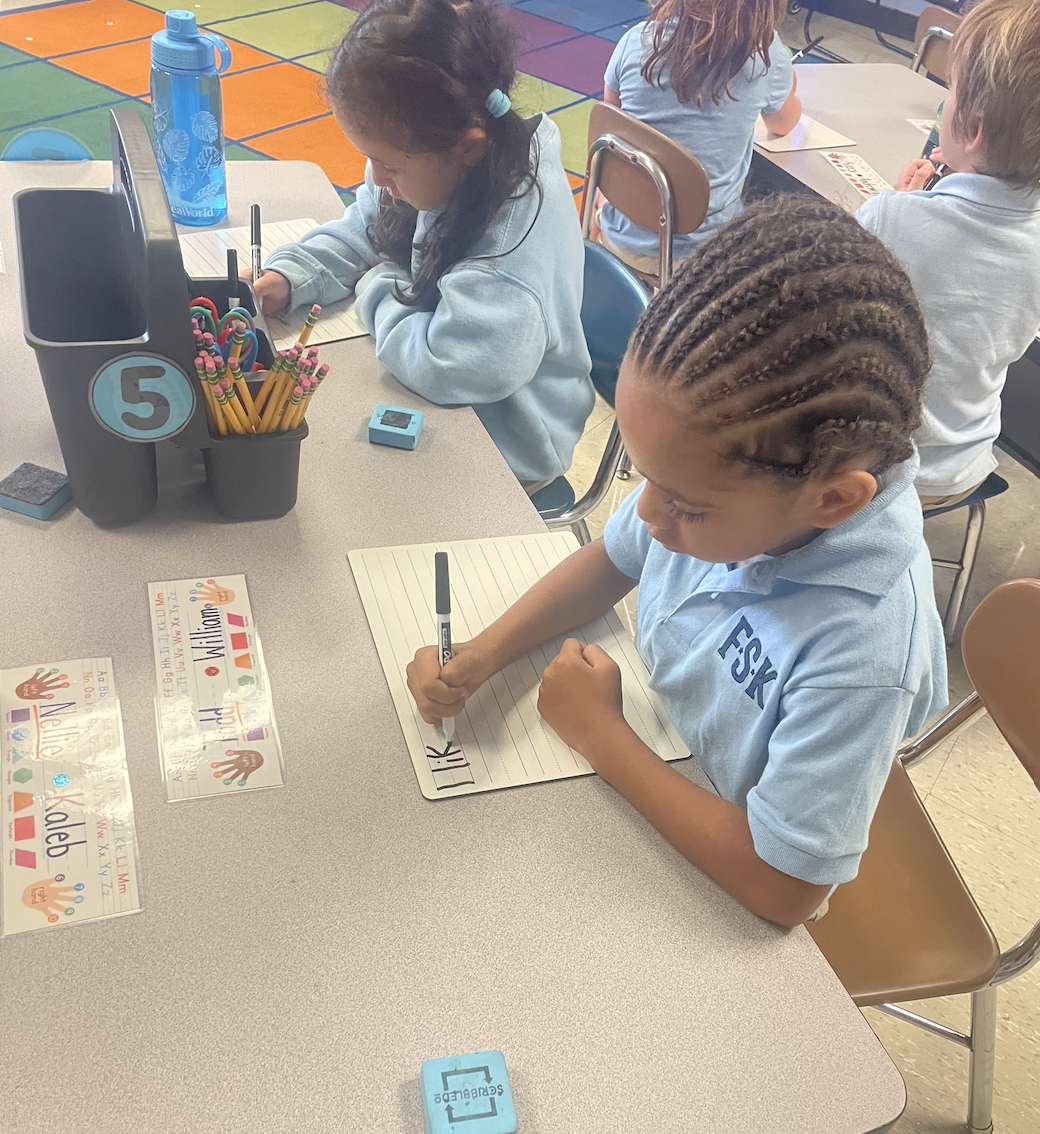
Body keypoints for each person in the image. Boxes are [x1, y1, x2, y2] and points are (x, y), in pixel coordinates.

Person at [406, 197, 948, 928]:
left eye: (688, 507)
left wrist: (602, 735)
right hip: (663, 765)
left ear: (831, 501)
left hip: (717, 866)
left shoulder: (866, 648)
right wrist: (484, 651)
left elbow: (785, 890)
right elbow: (610, 559)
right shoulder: (726, 483)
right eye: (643, 475)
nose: (650, 517)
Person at [254, 0, 594, 493]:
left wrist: (375, 285)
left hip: (508, 452)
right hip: (452, 412)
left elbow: (450, 365)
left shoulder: (508, 256)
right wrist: (295, 274)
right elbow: (370, 218)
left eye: (388, 165)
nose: (375, 178)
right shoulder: (442, 151)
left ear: (467, 147)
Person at [856, 0, 1040, 507]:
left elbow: (829, 301)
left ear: (972, 128)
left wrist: (897, 203)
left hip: (872, 470)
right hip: (961, 469)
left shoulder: (891, 217)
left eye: (950, 91)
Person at [595, 0, 801, 273]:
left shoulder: (636, 39)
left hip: (623, 239)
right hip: (707, 257)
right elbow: (783, 124)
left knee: (607, 177)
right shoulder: (768, 57)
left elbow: (608, 123)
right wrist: (788, 83)